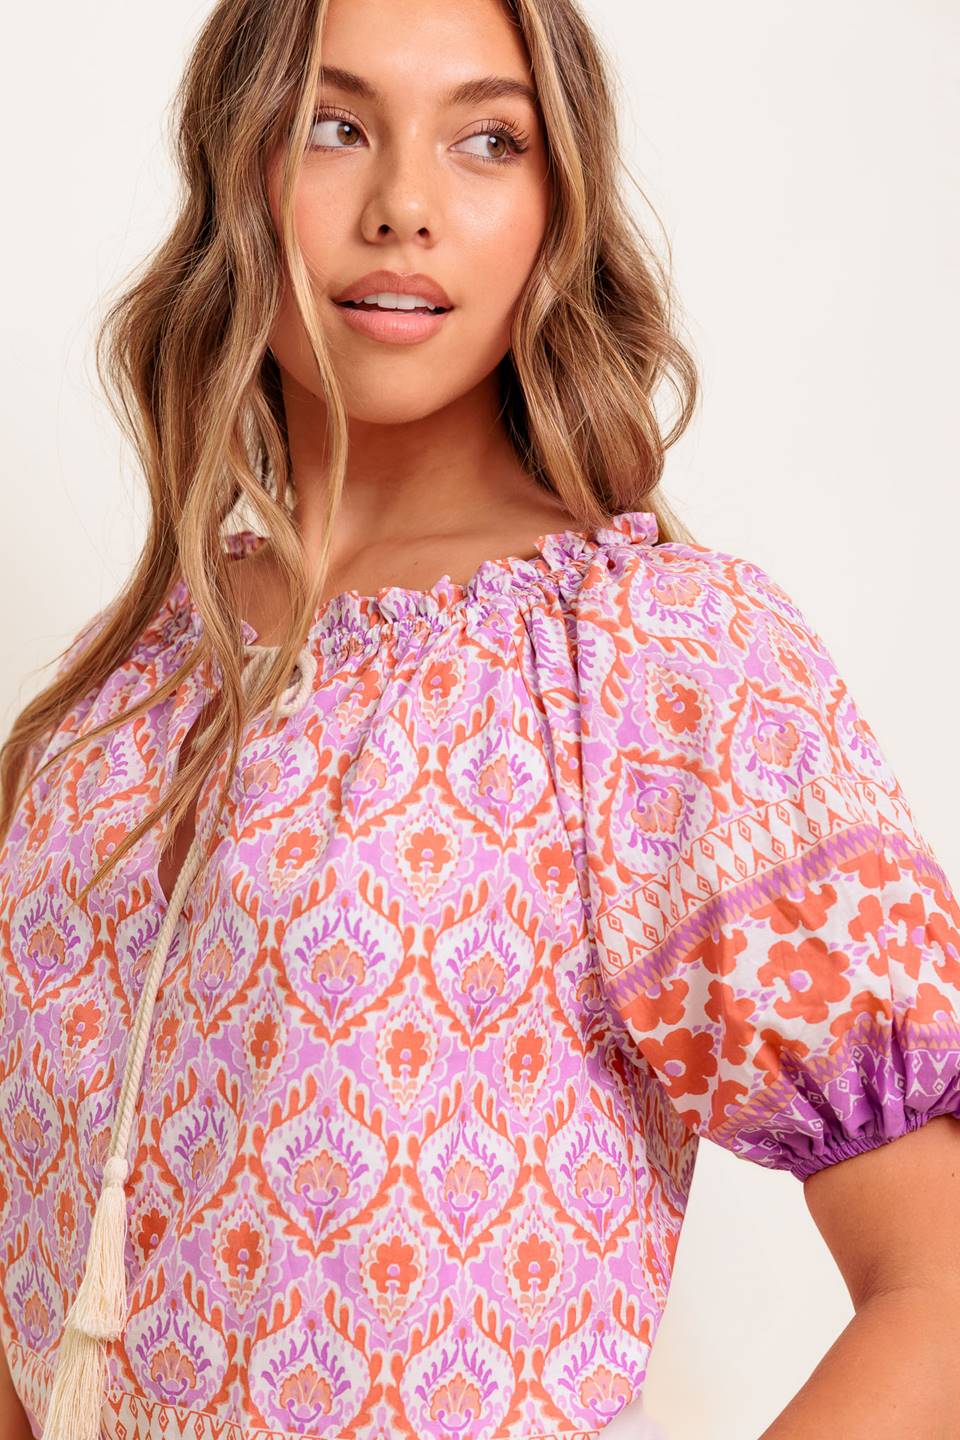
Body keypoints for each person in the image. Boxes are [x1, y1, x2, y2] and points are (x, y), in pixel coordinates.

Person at [1, 1, 958, 1439]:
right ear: (234, 168)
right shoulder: (124, 681)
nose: (402, 205)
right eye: (332, 127)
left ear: (557, 208)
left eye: (488, 141)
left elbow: (938, 1284)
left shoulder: (652, 662)